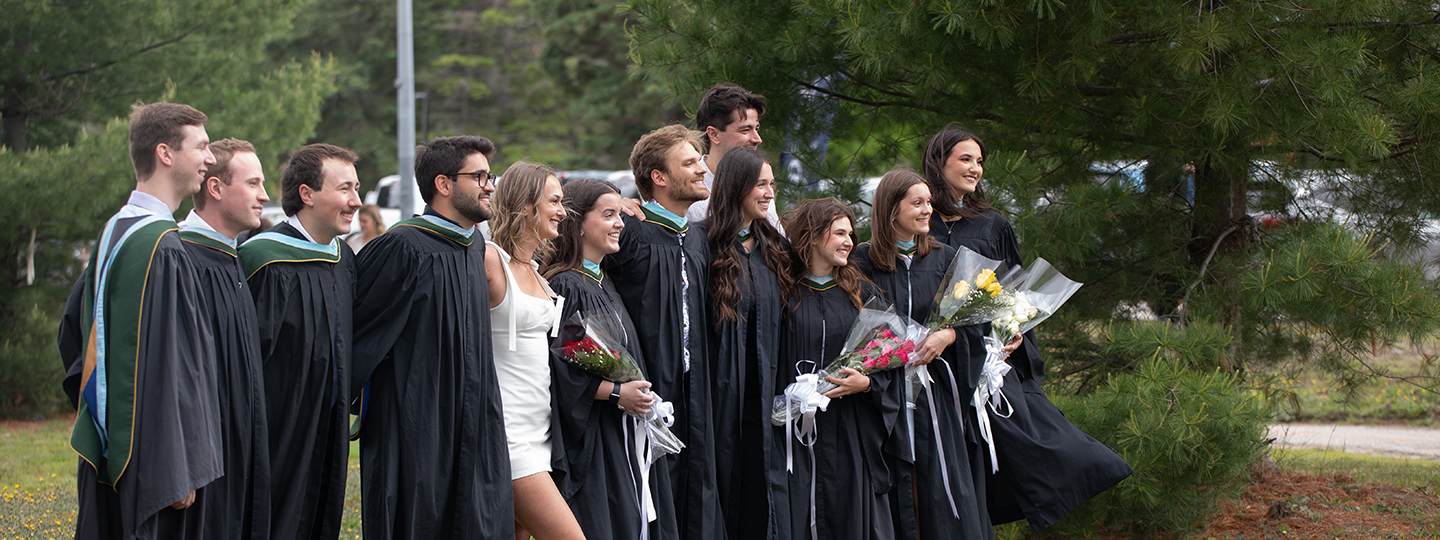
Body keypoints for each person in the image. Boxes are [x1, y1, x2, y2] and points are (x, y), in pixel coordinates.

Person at [920, 126, 1132, 532]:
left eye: (979, 161)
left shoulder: (992, 224)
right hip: (929, 363)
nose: (975, 168)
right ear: (938, 161)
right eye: (965, 159)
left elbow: (1013, 292)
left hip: (986, 364)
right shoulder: (918, 219)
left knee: (999, 461)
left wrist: (1016, 336)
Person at [57, 102, 222, 539]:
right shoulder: (161, 246)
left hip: (119, 448)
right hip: (155, 466)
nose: (210, 158)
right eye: (202, 146)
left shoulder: (116, 230)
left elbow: (74, 333)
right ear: (166, 153)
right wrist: (178, 463)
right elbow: (176, 365)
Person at [349, 135, 514, 540]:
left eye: (489, 176)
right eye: (478, 176)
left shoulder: (475, 245)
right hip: (415, 424)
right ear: (443, 184)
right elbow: (357, 334)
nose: (489, 185)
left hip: (475, 415)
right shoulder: (401, 247)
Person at [851, 170, 991, 540]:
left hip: (935, 396)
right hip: (883, 393)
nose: (928, 209)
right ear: (891, 209)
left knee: (940, 483)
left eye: (928, 201)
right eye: (917, 203)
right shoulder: (861, 261)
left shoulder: (947, 259)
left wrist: (948, 334)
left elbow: (975, 325)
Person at [603, 124, 725, 540]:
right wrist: (612, 202)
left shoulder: (696, 238)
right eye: (689, 162)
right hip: (647, 392)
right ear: (658, 176)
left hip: (695, 391)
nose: (702, 169)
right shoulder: (629, 231)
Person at [541, 177, 679, 540]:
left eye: (620, 213)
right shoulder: (566, 285)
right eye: (608, 214)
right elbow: (559, 368)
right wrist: (617, 394)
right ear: (578, 221)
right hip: (596, 439)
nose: (619, 222)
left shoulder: (604, 283)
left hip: (621, 433)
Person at [240, 143, 360, 540]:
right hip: (276, 426)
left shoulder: (342, 258)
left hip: (327, 424)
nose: (356, 201)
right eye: (344, 189)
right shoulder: (263, 260)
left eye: (356, 189)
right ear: (307, 194)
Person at [775, 199, 898, 540]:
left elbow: (890, 357)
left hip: (849, 429)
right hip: (794, 431)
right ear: (813, 236)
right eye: (839, 233)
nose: (849, 241)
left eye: (851, 234)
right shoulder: (783, 292)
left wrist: (867, 384)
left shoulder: (863, 293)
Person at [177, 137, 273, 540]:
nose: (265, 196)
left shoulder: (231, 258)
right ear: (215, 188)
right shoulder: (176, 256)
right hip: (197, 461)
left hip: (237, 453)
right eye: (252, 184)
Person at [481, 161, 576, 540]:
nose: (562, 211)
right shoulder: (489, 260)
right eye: (553, 201)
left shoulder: (535, 269)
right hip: (510, 437)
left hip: (542, 432)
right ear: (525, 206)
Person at [702, 147, 791, 540]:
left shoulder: (776, 248)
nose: (770, 192)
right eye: (761, 184)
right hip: (722, 394)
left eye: (772, 184)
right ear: (736, 186)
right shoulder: (702, 246)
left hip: (768, 389)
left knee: (763, 486)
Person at [687, 84, 783, 234]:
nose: (757, 139)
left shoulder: (761, 186)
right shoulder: (685, 185)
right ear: (714, 134)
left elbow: (778, 242)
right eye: (745, 130)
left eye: (756, 129)